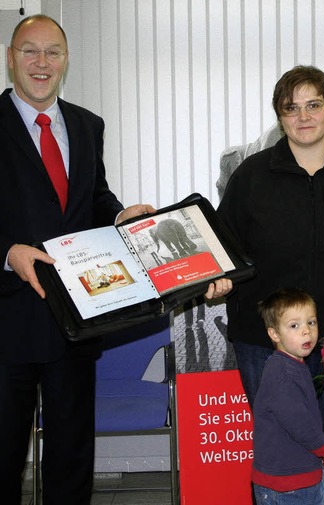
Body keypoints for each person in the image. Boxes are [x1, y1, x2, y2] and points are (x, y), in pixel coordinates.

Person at [213, 64, 324, 504]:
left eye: (314, 105)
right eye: (292, 108)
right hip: (264, 342)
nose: (304, 116)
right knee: (281, 447)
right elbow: (219, 248)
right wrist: (213, 279)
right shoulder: (251, 176)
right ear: (279, 116)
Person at [0, 15, 157, 505]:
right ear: (11, 58)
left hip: (76, 319)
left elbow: (94, 199)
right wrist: (6, 253)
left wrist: (121, 216)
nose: (41, 63)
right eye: (30, 51)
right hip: (7, 320)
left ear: (66, 61)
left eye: (53, 52)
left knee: (71, 459)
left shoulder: (88, 125)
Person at [252, 288, 324, 505]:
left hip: (301, 474)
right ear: (274, 334)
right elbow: (298, 421)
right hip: (285, 484)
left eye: (311, 322)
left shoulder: (292, 364)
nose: (306, 331)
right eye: (294, 325)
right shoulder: (282, 373)